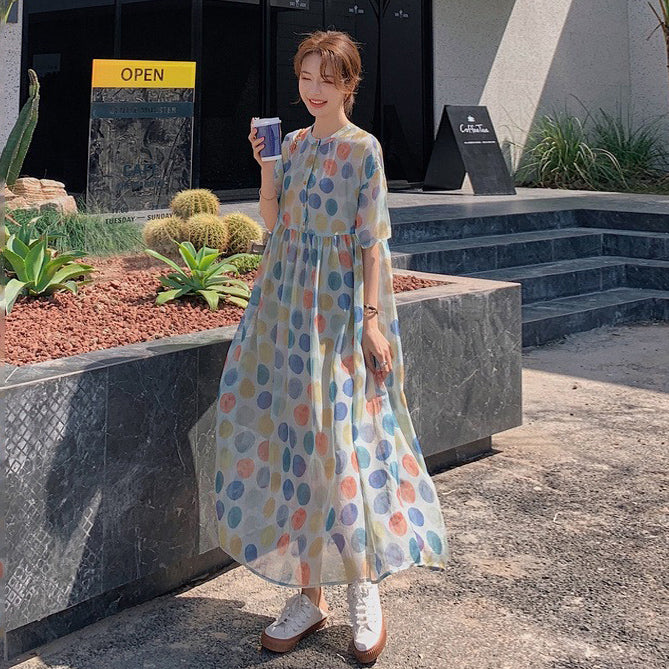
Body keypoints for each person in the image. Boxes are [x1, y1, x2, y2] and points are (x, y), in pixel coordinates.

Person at [214, 29, 450, 663]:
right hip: (285, 311)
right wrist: (268, 167)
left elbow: (372, 244)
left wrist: (372, 320)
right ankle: (309, 595)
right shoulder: (292, 145)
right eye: (305, 77)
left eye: (327, 78)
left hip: (341, 314)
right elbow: (274, 224)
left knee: (343, 442)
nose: (313, 89)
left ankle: (363, 587)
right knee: (296, 445)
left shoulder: (364, 150)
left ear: (349, 84)